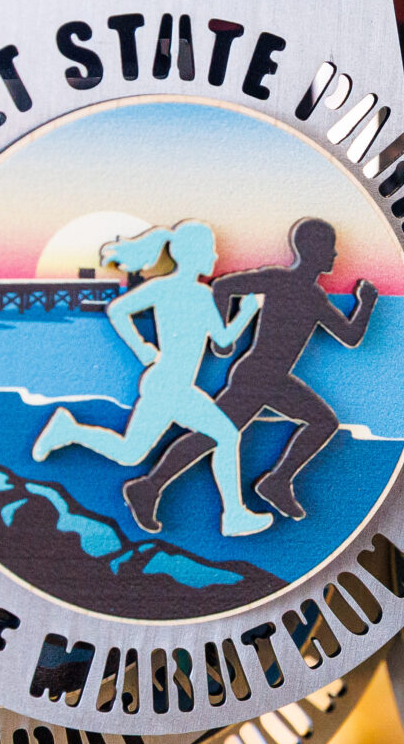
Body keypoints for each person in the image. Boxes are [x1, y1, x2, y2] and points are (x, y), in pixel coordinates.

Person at [122, 216, 376, 531]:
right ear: (313, 250)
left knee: (323, 422)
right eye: (331, 248)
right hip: (254, 377)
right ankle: (149, 487)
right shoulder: (277, 279)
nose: (335, 256)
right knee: (211, 437)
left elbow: (350, 336)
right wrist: (221, 341)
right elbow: (224, 286)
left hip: (275, 380)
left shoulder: (314, 298)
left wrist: (365, 304)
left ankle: (276, 481)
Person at [31, 221, 266, 535]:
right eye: (210, 249)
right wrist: (142, 349)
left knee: (146, 450)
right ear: (194, 254)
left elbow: (222, 343)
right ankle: (69, 431)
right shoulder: (165, 288)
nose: (215, 255)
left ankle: (234, 515)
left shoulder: (202, 293)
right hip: (167, 386)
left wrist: (246, 313)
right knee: (136, 453)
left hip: (179, 388)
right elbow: (117, 310)